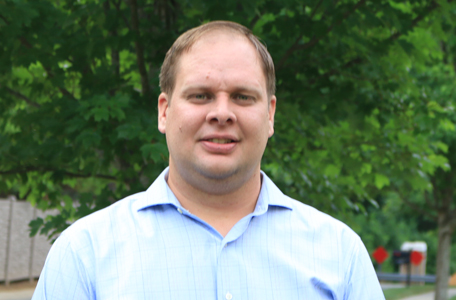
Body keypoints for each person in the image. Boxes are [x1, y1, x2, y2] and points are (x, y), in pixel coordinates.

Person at [32, 21, 385, 300]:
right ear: (164, 111)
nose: (221, 113)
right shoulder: (85, 254)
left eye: (243, 97)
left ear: (270, 115)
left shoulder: (339, 254)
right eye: (200, 95)